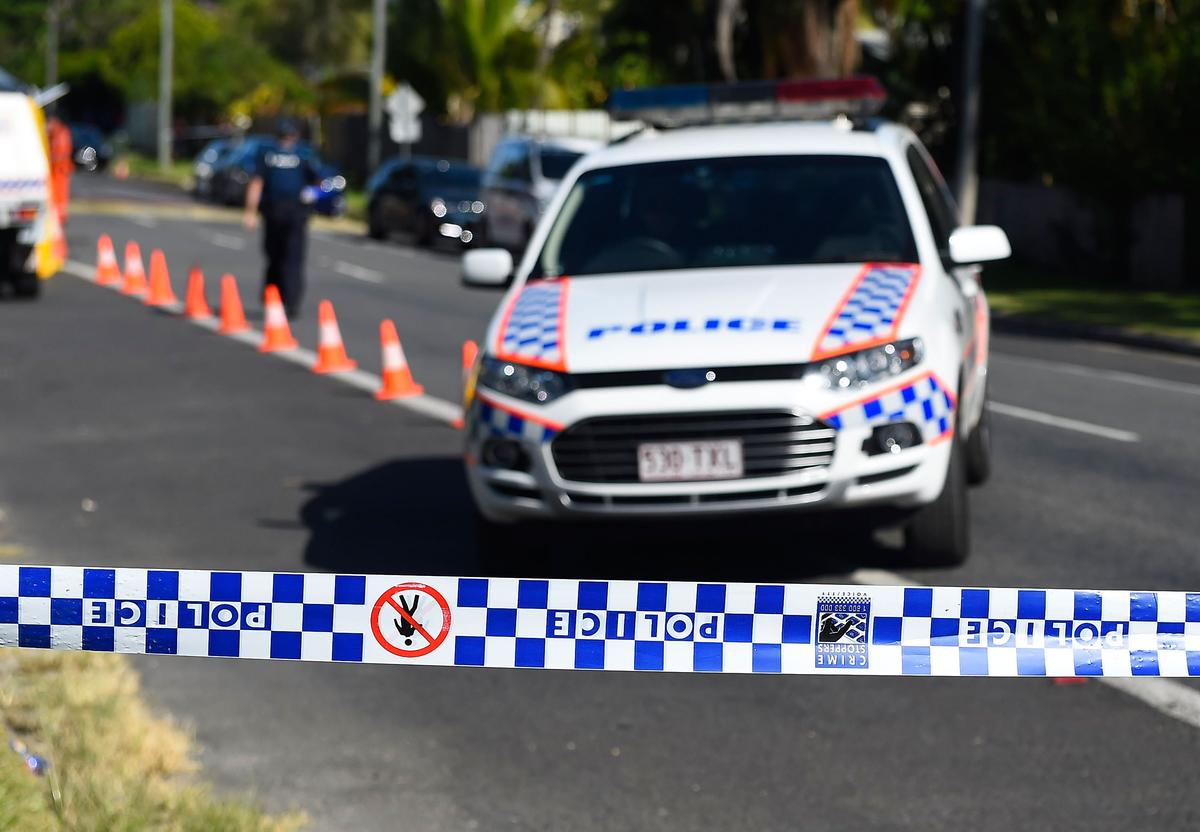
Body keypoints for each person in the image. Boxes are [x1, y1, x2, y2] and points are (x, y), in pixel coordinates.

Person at [242, 121, 320, 317]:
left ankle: (289, 301)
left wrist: (313, 197)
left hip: (294, 212)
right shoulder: (270, 156)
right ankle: (275, 297)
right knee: (276, 256)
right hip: (275, 211)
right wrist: (250, 211)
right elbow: (257, 183)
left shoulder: (303, 155)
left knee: (291, 258)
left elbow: (321, 182)